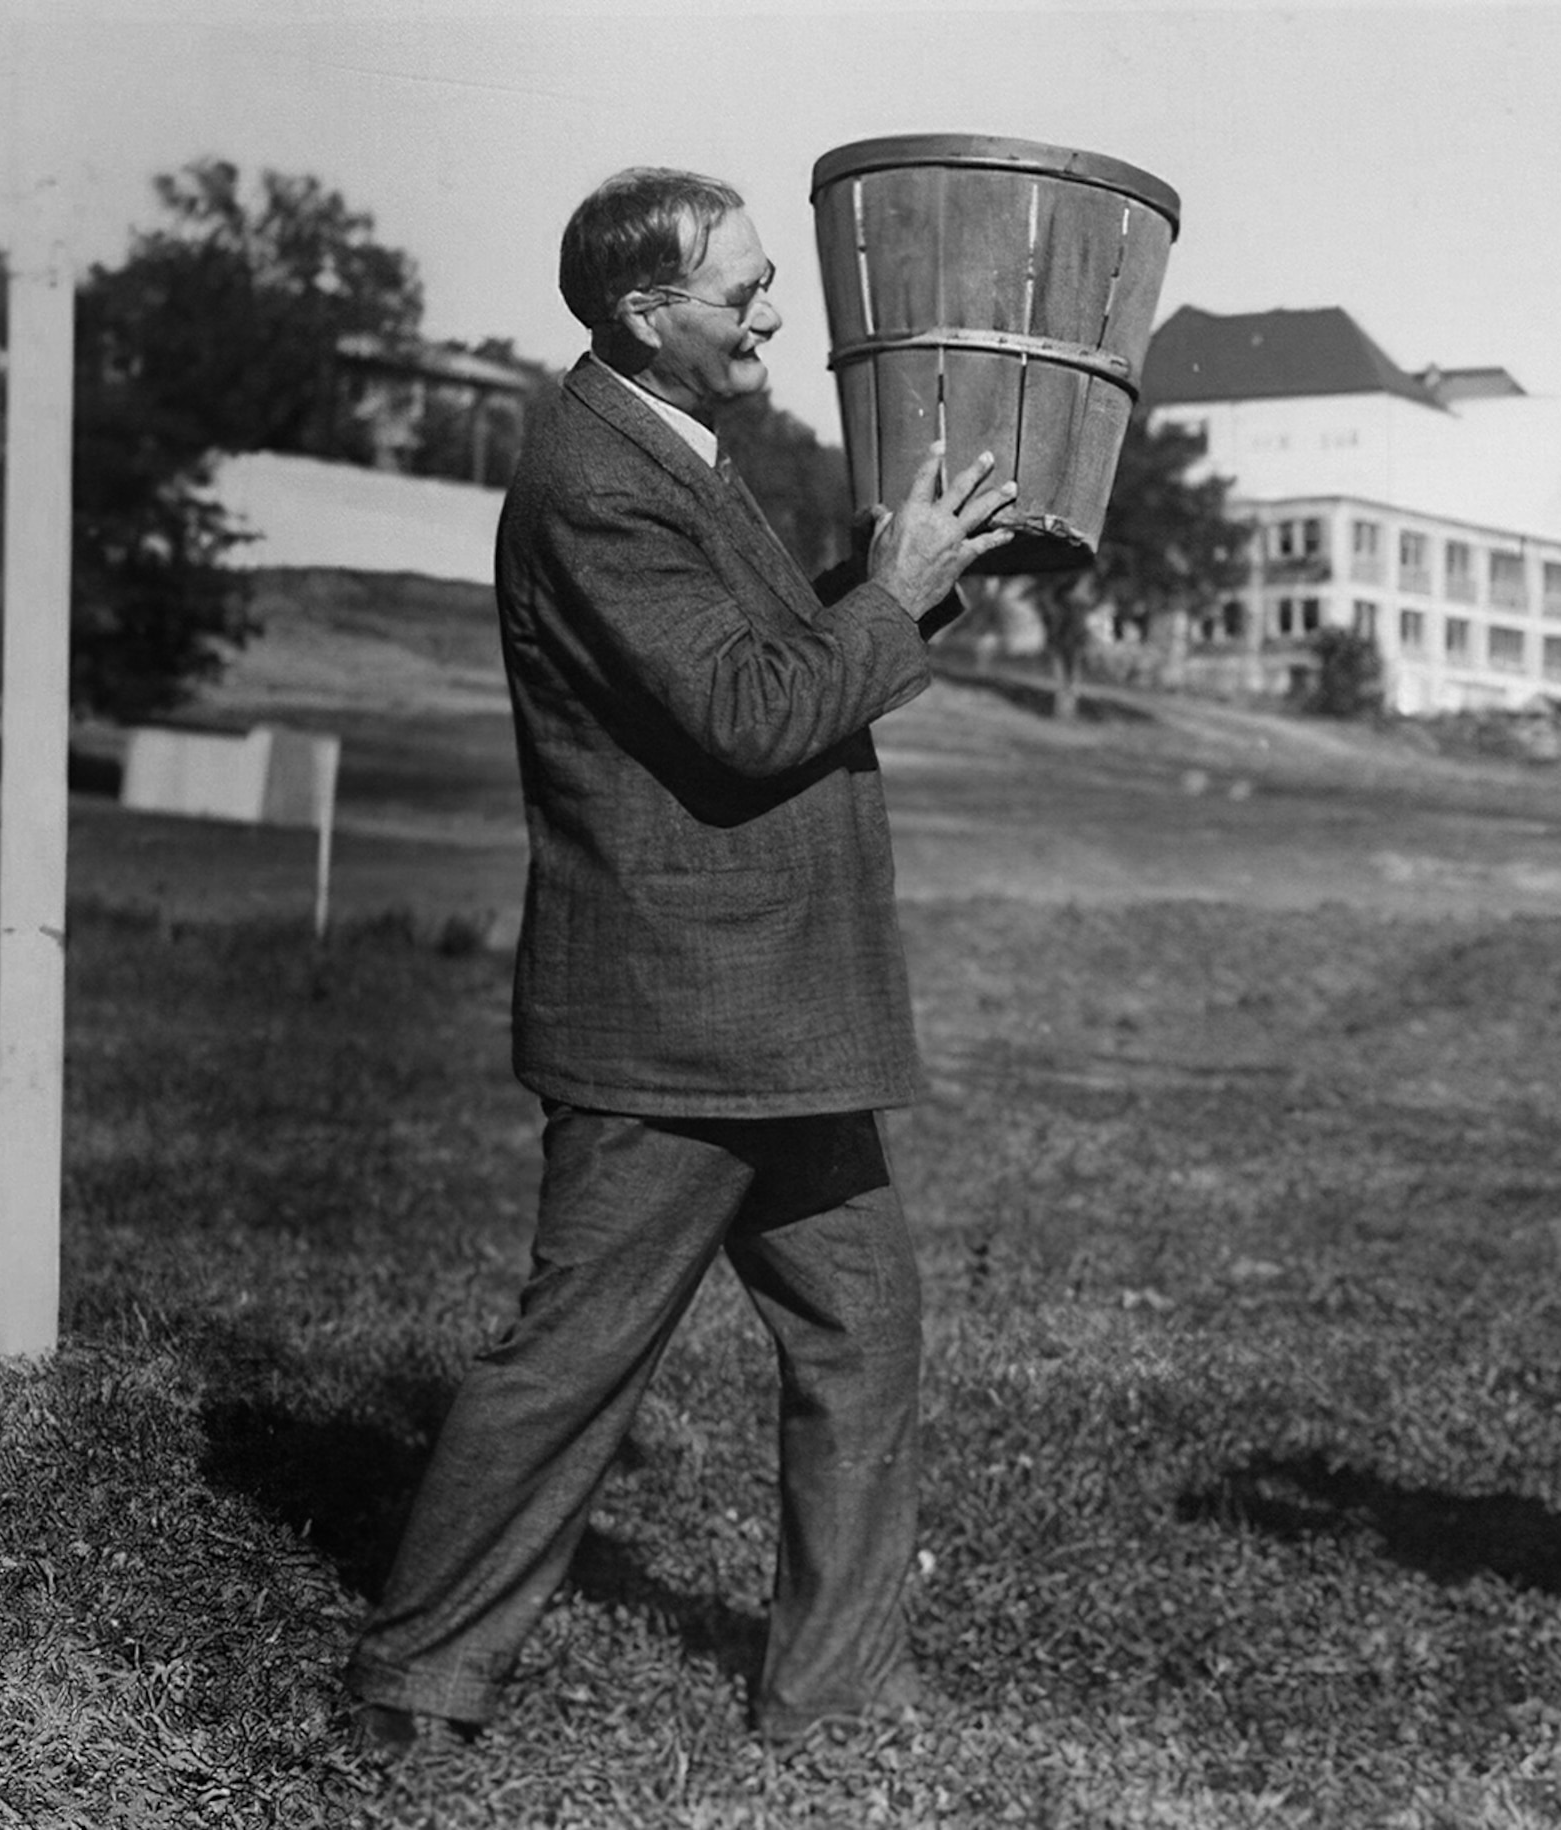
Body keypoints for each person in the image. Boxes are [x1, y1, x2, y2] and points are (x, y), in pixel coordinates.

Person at [342, 167, 1016, 1755]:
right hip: (678, 1013)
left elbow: (770, 669)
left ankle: (833, 1692)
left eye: (773, 282)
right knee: (573, 1357)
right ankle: (410, 1686)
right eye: (747, 291)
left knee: (865, 1327)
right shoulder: (599, 480)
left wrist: (908, 582)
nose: (777, 311)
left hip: (767, 1007)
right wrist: (895, 596)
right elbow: (751, 717)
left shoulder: (675, 455)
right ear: (649, 314)